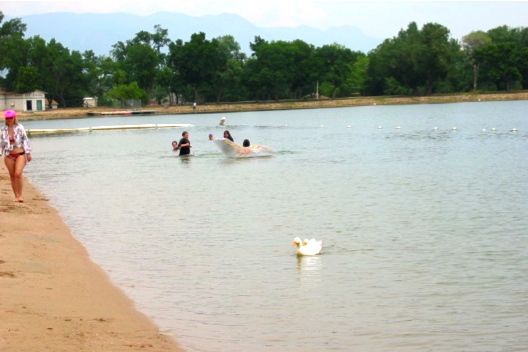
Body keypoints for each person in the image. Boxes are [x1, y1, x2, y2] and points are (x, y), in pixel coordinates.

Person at [1, 110, 32, 202]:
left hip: (20, 154)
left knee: (18, 174)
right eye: (7, 118)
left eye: (11, 118)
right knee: (12, 176)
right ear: (5, 119)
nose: (9, 119)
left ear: (14, 118)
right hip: (9, 155)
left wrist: (28, 153)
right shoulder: (3, 129)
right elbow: (1, 143)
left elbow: (25, 140)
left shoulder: (20, 127)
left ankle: (20, 195)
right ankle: (16, 196)